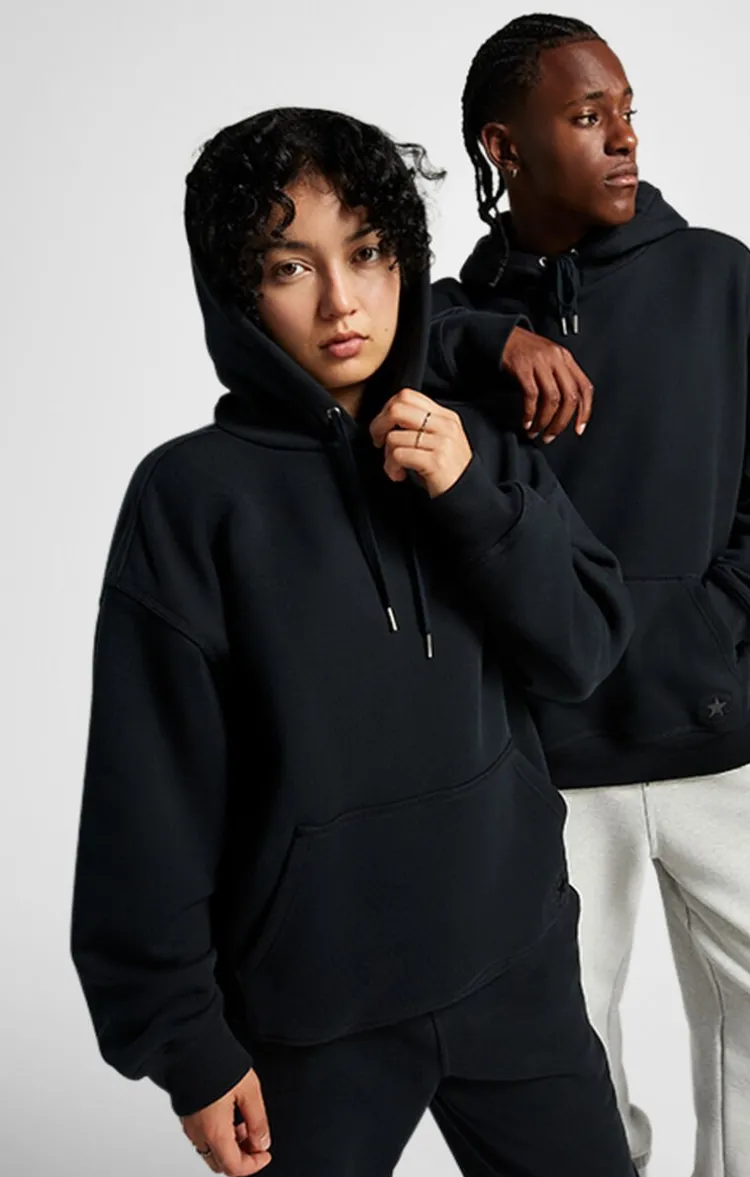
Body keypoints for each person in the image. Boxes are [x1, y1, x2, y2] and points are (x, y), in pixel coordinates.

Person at [69, 106, 639, 1177]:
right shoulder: (192, 500)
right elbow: (148, 797)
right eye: (291, 267)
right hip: (310, 1013)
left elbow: (584, 649)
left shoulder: (469, 437)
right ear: (237, 293)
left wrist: (470, 499)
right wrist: (186, 1043)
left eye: (369, 252)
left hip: (512, 968)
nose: (343, 301)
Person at [429, 14, 750, 1177]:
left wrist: (706, 627)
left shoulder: (718, 279)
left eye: (626, 112)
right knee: (566, 1046)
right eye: (585, 116)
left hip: (718, 732)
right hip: (547, 759)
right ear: (503, 146)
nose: (624, 139)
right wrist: (488, 341)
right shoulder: (455, 324)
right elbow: (366, 366)